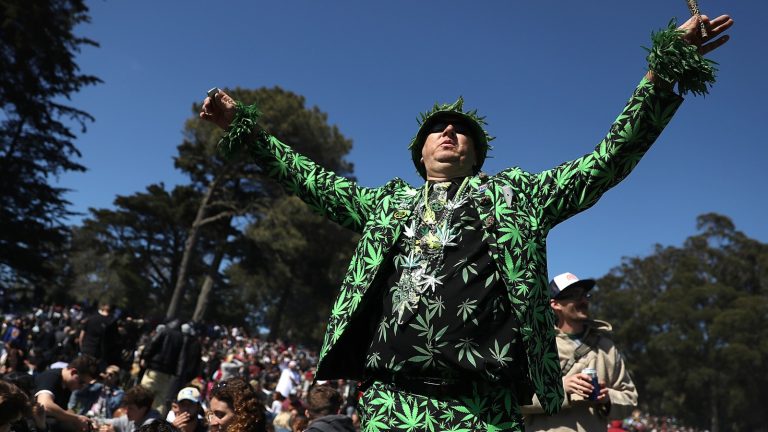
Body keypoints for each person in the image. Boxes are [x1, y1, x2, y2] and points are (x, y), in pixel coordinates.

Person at [199, 12, 733, 431]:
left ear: (476, 152)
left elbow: (607, 160)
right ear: (420, 152)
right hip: (392, 400)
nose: (449, 131)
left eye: (460, 129)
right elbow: (309, 178)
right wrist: (246, 129)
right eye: (438, 128)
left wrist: (661, 73)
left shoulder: (518, 197)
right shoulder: (386, 205)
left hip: (486, 406)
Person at [522, 272, 638, 431]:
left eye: (585, 295)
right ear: (555, 304)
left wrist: (607, 397)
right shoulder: (535, 345)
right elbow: (514, 399)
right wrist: (561, 388)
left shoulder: (606, 347)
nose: (583, 300)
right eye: (575, 295)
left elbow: (630, 399)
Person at [34, 354, 98, 432]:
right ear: (73, 372)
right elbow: (44, 406)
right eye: (81, 382)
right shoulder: (51, 377)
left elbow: (62, 415)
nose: (82, 387)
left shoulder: (67, 388)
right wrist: (77, 418)